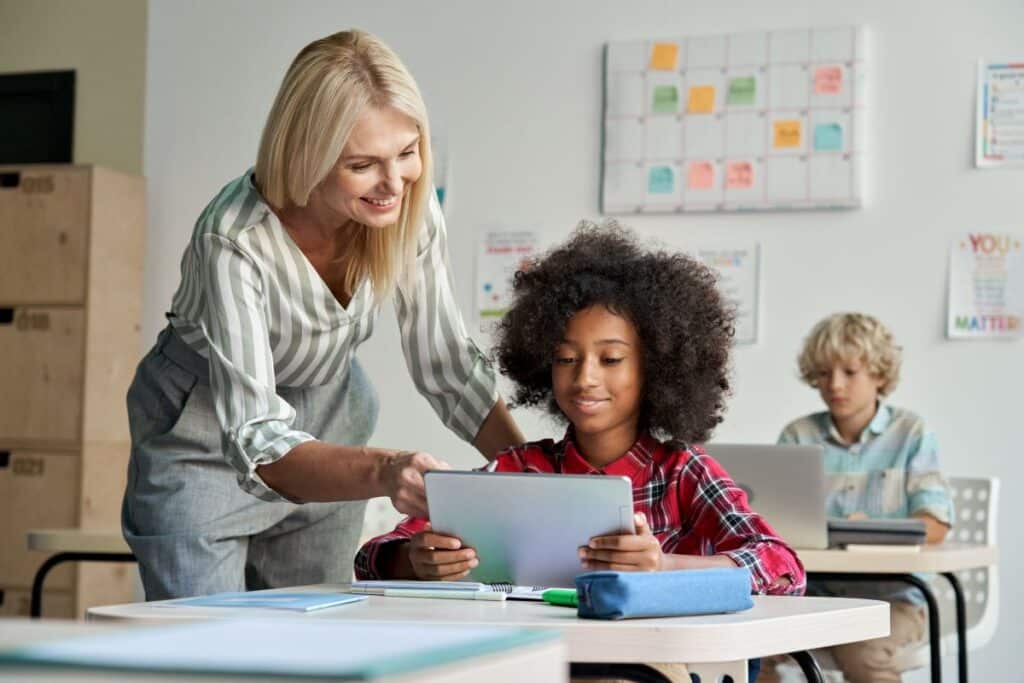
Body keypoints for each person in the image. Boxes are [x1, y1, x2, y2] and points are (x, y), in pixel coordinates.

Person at [122, 29, 524, 600]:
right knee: (206, 651)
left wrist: (529, 473)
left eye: (407, 153)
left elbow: (447, 365)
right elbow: (261, 441)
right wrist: (387, 470)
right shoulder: (234, 240)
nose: (394, 184)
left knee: (318, 637)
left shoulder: (407, 209)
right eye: (363, 164)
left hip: (330, 419)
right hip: (204, 426)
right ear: (306, 154)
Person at [355, 222, 805, 682]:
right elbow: (373, 557)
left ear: (656, 369)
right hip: (536, 660)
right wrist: (415, 559)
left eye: (610, 359)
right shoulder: (518, 468)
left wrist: (662, 567)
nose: (585, 378)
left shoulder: (682, 472)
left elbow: (783, 567)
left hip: (647, 666)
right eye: (566, 358)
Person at [763, 313, 953, 683]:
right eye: (823, 373)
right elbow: (774, 526)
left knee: (863, 653)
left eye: (850, 372)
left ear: (879, 375)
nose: (834, 385)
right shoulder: (798, 435)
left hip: (894, 597)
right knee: (751, 643)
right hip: (813, 595)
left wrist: (871, 531)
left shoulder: (912, 433)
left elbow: (935, 525)